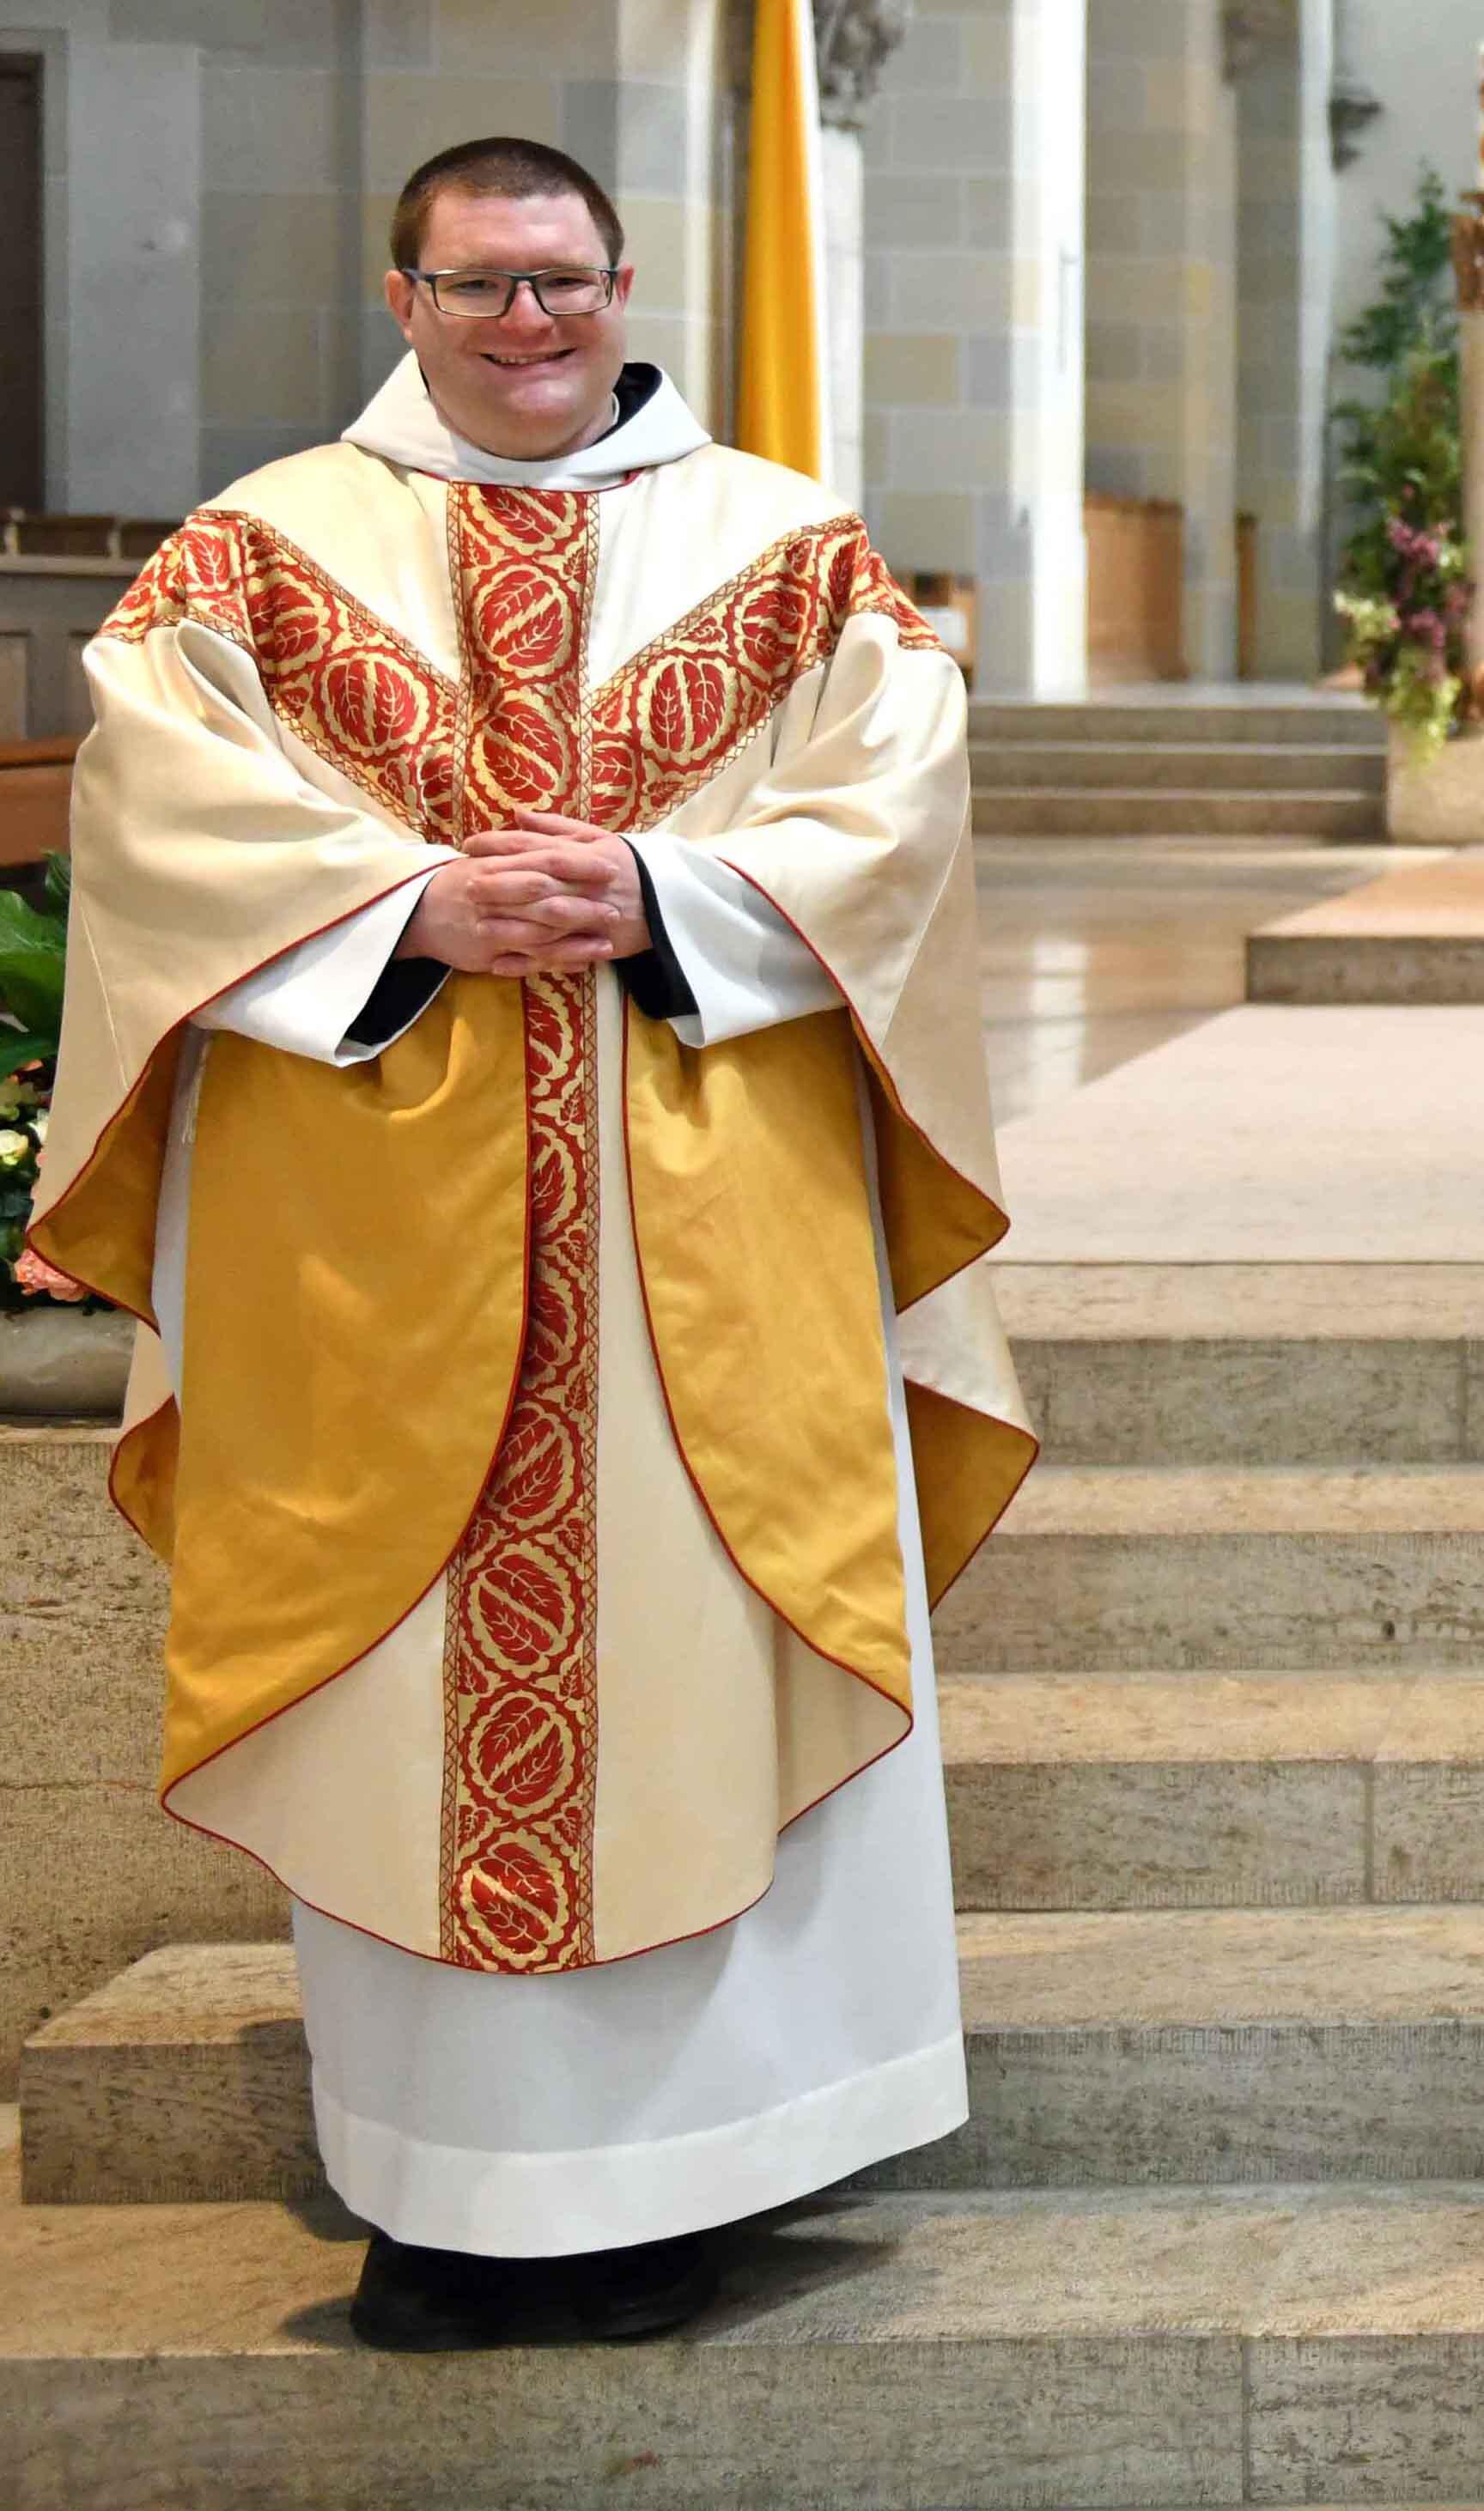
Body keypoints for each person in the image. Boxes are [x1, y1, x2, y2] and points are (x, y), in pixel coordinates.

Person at [14, 138, 1032, 2352]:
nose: (525, 323)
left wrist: (668, 899)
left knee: (711, 1656)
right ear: (407, 293)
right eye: (478, 285)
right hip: (375, 1247)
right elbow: (158, 797)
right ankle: (453, 2191)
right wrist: (405, 906)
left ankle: (727, 2154)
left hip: (706, 1224)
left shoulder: (784, 543)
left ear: (622, 281)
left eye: (559, 282)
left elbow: (899, 793)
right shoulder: (261, 547)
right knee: (403, 1691)